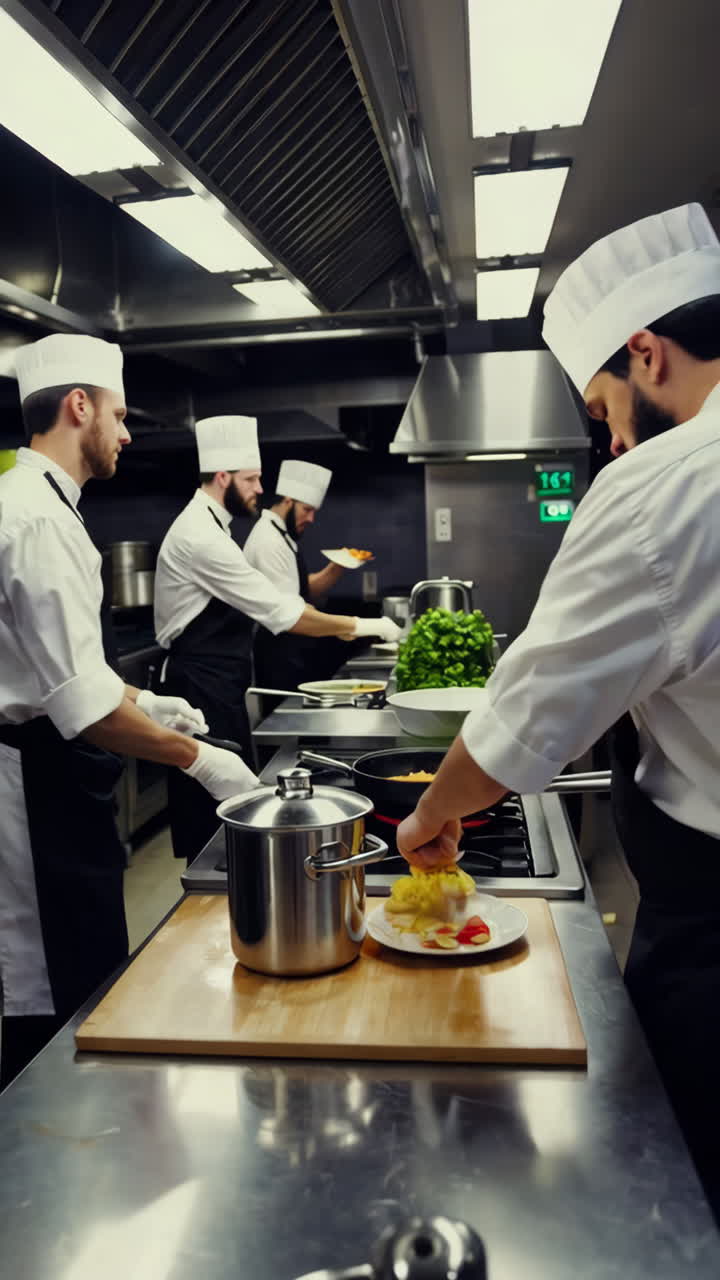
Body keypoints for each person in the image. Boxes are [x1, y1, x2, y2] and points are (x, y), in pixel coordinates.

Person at [396, 202, 720, 1219]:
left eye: (602, 404)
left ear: (647, 351)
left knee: (688, 1204)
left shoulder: (665, 484)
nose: (609, 433)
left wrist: (432, 813)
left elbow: (521, 715)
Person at [0, 336, 258, 1089]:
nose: (126, 433)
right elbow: (80, 706)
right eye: (116, 414)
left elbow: (67, 669)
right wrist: (202, 759)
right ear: (78, 406)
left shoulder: (41, 503)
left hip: (55, 775)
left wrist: (148, 700)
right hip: (32, 786)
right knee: (52, 993)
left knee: (79, 968)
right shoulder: (38, 519)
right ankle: (37, 1166)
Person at [154, 416, 401, 863]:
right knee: (209, 813)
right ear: (223, 477)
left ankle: (225, 884)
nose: (258, 488)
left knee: (226, 802)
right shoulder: (200, 536)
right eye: (251, 478)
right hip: (199, 686)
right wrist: (365, 626)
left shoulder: (215, 528)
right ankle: (208, 899)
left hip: (218, 681)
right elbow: (282, 612)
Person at [243, 459, 349, 689]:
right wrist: (352, 626)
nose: (311, 519)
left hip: (292, 649)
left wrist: (336, 567)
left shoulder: (282, 535)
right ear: (288, 501)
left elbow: (300, 590)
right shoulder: (268, 541)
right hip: (278, 653)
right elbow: (289, 614)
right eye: (307, 510)